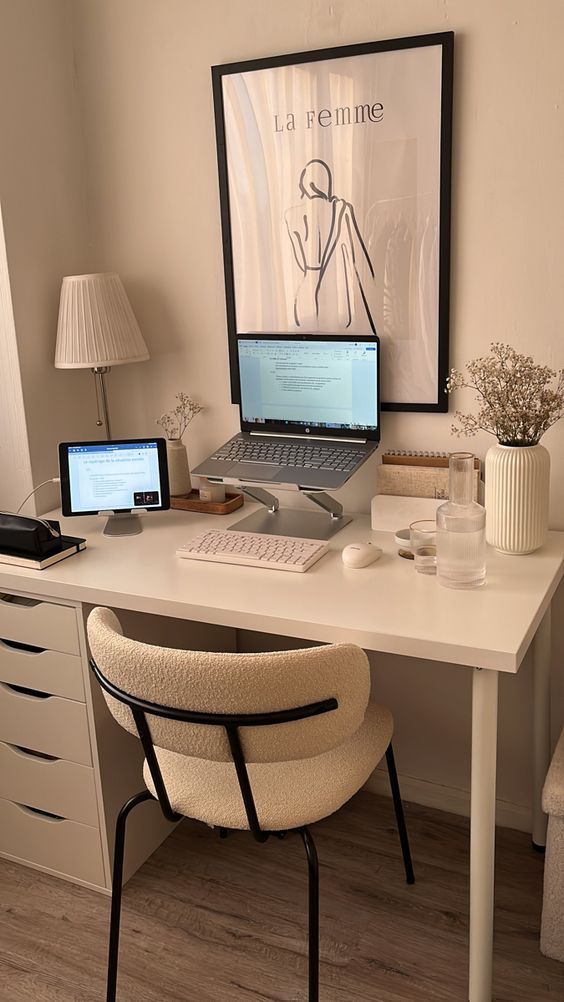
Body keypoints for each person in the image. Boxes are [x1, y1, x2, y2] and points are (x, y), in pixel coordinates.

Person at [285, 158, 376, 331]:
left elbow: (298, 259)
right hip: (334, 291)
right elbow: (356, 254)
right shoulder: (342, 208)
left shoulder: (291, 216)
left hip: (305, 289)